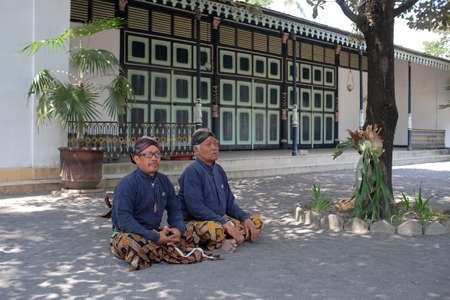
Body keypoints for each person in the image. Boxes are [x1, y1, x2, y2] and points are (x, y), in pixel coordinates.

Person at [110, 136, 218, 271]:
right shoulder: (127, 184)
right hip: (129, 233)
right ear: (137, 159)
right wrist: (155, 237)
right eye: (149, 154)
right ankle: (165, 248)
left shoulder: (164, 181)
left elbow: (175, 210)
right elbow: (124, 221)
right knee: (130, 243)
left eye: (157, 154)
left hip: (155, 232)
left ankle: (160, 248)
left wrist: (177, 230)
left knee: (192, 230)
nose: (154, 158)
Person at [177, 129, 263, 253]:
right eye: (208, 144)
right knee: (214, 229)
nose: (214, 148)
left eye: (216, 144)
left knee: (256, 221)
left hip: (219, 220)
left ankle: (229, 238)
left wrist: (245, 218)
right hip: (193, 222)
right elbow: (195, 208)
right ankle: (222, 241)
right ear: (196, 150)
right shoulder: (192, 171)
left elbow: (230, 204)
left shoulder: (219, 170)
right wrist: (224, 223)